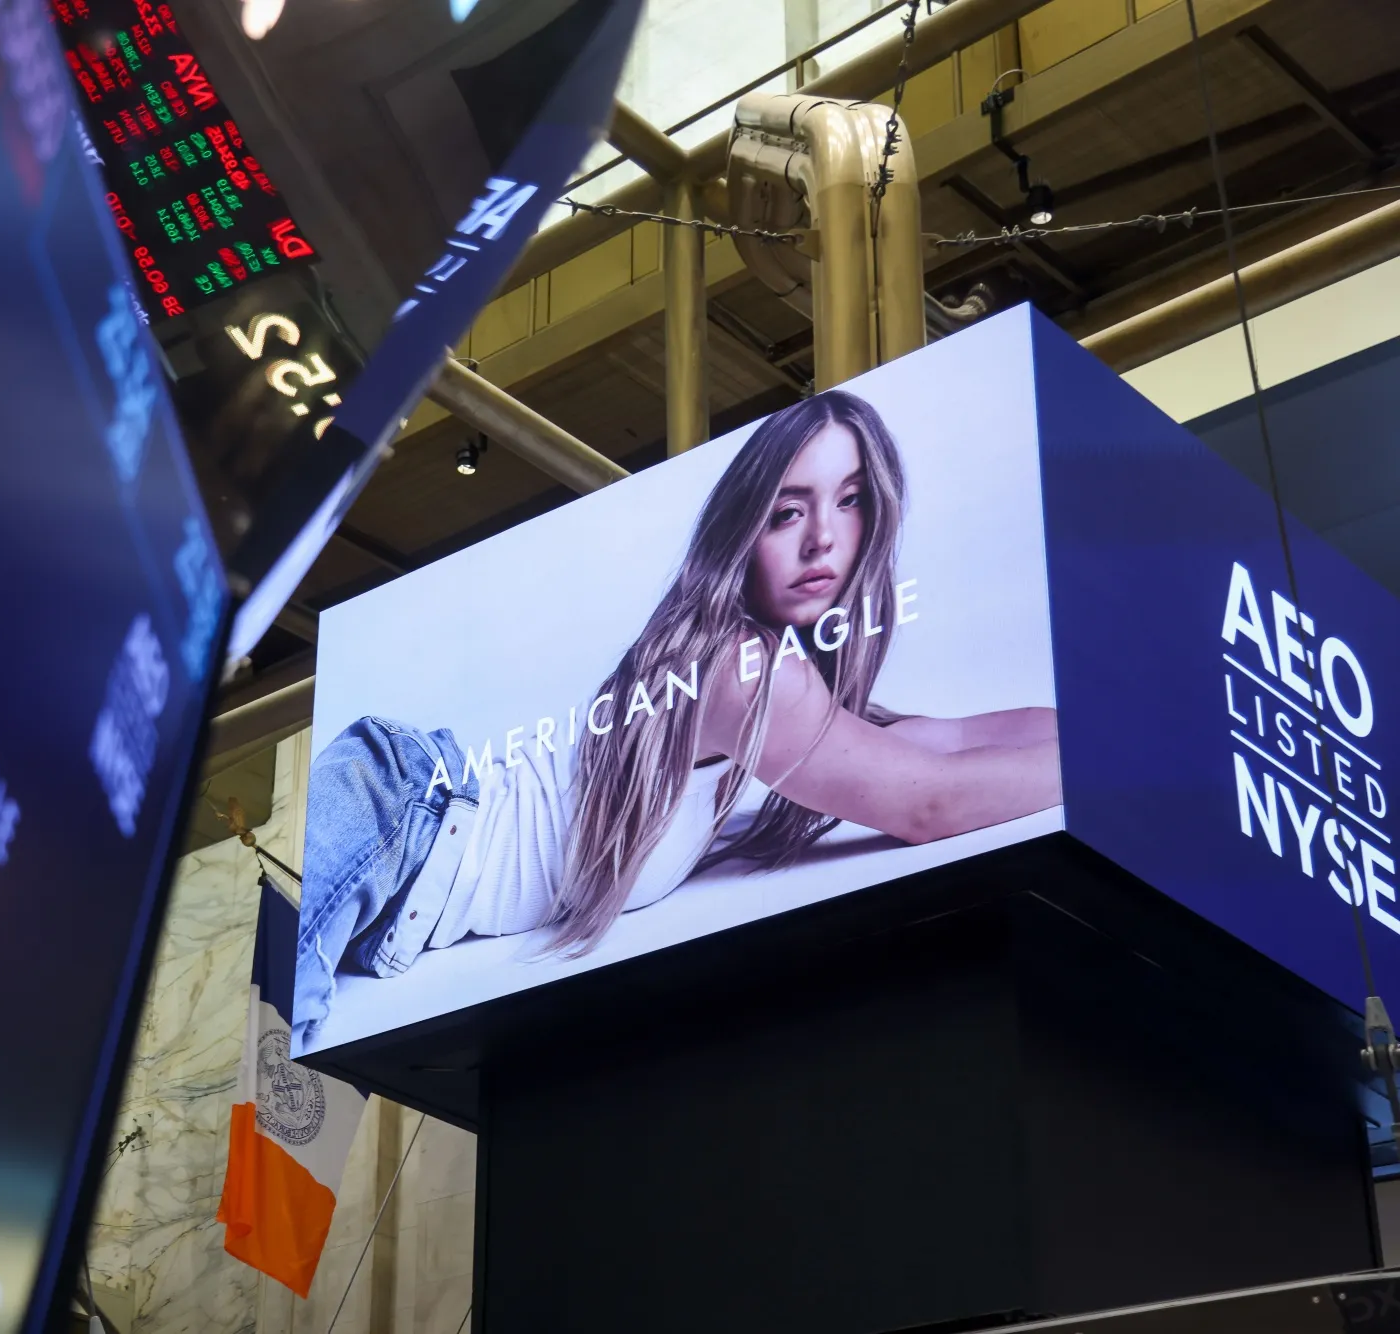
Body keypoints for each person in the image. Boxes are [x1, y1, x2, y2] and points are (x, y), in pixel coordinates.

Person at [292, 391, 1060, 1049]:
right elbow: (931, 800)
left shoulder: (772, 674)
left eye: (850, 500)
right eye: (788, 511)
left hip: (403, 856)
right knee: (272, 1104)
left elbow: (941, 743)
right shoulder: (740, 667)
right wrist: (1135, 751)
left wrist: (1115, 721)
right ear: (742, 529)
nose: (824, 537)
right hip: (393, 805)